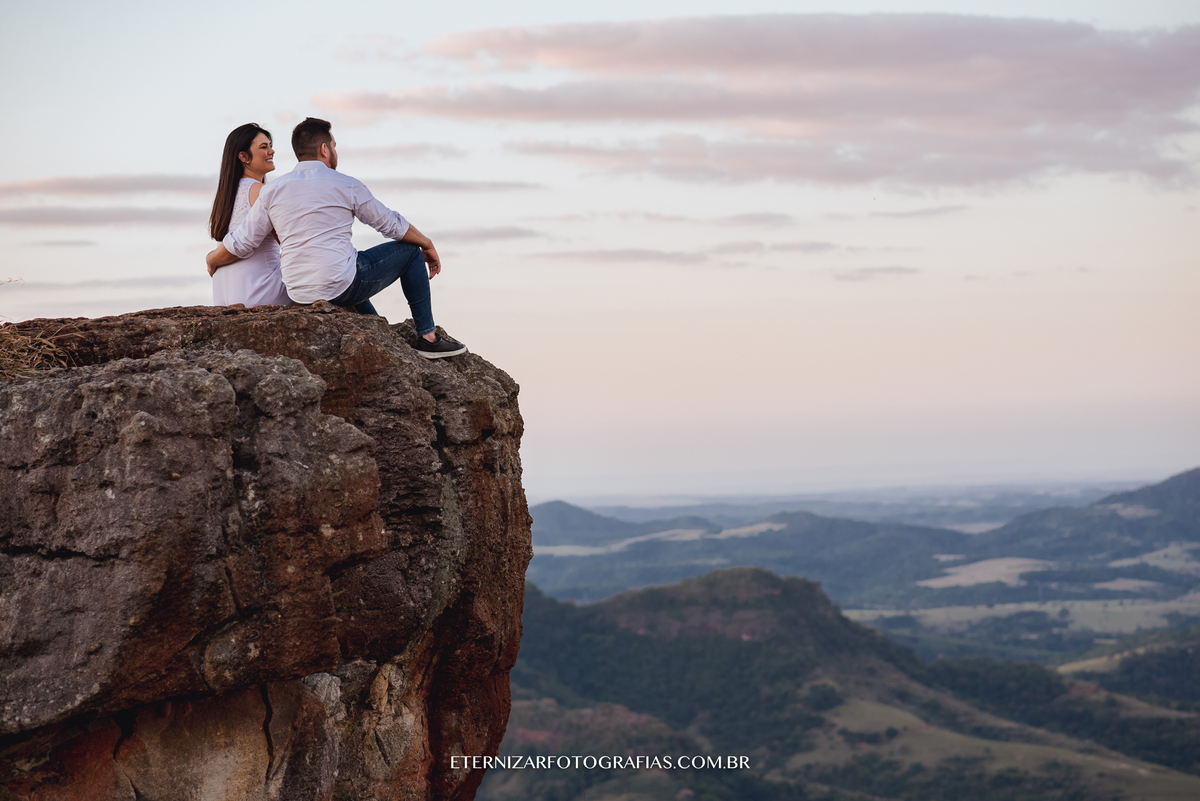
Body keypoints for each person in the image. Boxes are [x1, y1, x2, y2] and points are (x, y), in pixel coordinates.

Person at [206, 117, 466, 359]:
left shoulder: (272, 189)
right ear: (324, 149)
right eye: (334, 145)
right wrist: (426, 243)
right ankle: (429, 338)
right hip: (335, 283)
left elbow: (243, 240)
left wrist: (213, 257)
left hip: (298, 289)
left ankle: (378, 331)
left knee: (342, 268)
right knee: (407, 253)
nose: (335, 151)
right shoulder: (346, 184)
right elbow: (390, 224)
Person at [207, 123, 292, 308]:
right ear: (244, 157)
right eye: (264, 147)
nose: (271, 151)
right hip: (260, 291)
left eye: (269, 145)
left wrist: (212, 257)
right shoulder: (262, 192)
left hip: (225, 295)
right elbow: (290, 241)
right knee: (333, 278)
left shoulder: (226, 196)